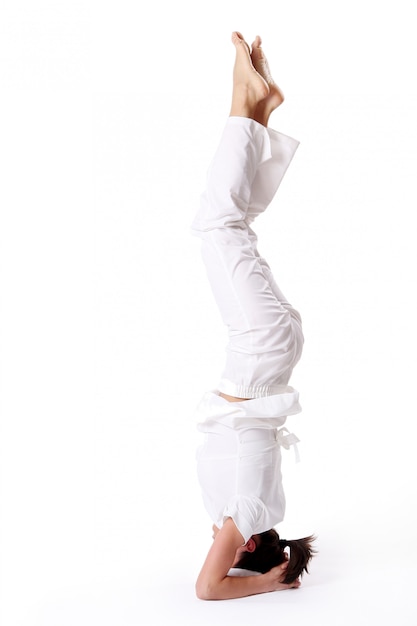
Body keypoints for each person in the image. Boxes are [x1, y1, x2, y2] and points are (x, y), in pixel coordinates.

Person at [191, 32, 316, 601]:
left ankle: (258, 109)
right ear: (247, 546)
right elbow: (206, 590)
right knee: (218, 227)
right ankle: (245, 103)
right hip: (258, 351)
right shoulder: (243, 513)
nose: (213, 536)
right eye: (226, 545)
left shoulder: (265, 507)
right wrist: (265, 582)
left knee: (232, 226)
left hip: (271, 351)